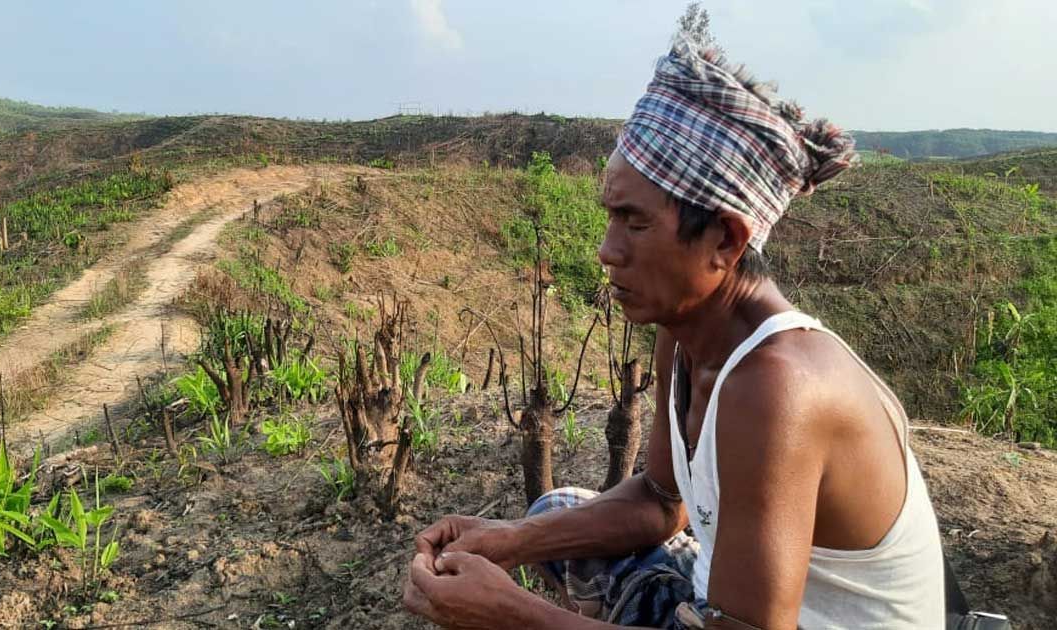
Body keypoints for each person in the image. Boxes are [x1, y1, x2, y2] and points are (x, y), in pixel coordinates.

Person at [402, 33, 945, 630]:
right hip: (724, 606)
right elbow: (661, 503)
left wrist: (508, 612)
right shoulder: (689, 335)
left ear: (726, 241)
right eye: (612, 215)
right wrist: (508, 541)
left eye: (635, 224)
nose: (607, 251)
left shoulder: (777, 388)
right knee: (554, 512)